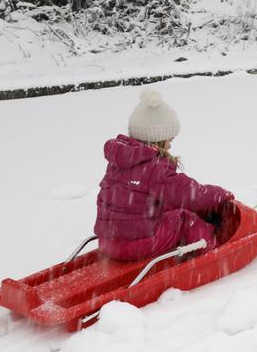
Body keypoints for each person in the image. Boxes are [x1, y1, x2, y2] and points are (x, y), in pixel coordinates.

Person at [94, 90, 238, 261]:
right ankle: (214, 252)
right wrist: (220, 195)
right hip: (136, 245)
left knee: (168, 207)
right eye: (170, 140)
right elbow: (190, 194)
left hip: (108, 242)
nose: (170, 146)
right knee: (184, 219)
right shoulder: (154, 168)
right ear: (158, 138)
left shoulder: (120, 161)